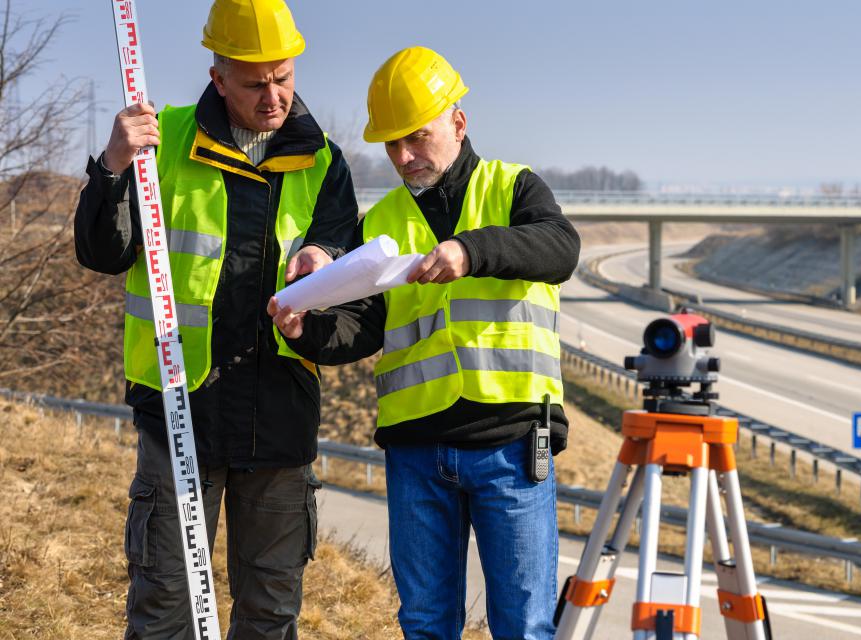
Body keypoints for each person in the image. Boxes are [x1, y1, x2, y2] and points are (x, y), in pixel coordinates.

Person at [270, 46, 581, 639]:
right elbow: (361, 326)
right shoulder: (381, 220)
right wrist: (306, 328)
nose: (404, 157)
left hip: (511, 446)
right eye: (391, 145)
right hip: (416, 452)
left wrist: (471, 252)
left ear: (458, 123)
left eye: (415, 137)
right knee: (426, 624)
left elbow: (559, 248)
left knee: (523, 627)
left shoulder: (512, 187)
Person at [74, 1, 360, 637]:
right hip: (180, 415)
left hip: (281, 422)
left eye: (284, 78)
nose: (274, 96)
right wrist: (114, 167)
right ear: (218, 77)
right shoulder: (162, 140)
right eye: (255, 83)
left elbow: (346, 282)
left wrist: (325, 259)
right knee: (164, 610)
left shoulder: (324, 163)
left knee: (271, 616)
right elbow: (102, 253)